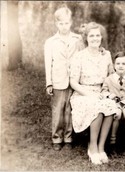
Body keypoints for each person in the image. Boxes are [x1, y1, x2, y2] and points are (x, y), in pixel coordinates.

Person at [69, 22, 118, 165]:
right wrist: (89, 94)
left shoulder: (106, 54)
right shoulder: (79, 56)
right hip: (83, 93)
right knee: (96, 106)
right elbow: (73, 82)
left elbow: (111, 75)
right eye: (91, 36)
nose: (95, 38)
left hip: (101, 91)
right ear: (86, 38)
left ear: (101, 37)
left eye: (97, 35)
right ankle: (92, 147)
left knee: (109, 105)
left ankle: (101, 148)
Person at [44, 6, 83, 151]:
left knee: (69, 109)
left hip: (73, 79)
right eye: (61, 23)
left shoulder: (77, 39)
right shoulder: (51, 42)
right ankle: (56, 138)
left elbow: (82, 56)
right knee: (58, 110)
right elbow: (48, 64)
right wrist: (49, 83)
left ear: (71, 22)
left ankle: (68, 137)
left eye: (66, 23)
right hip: (58, 80)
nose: (64, 26)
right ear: (56, 24)